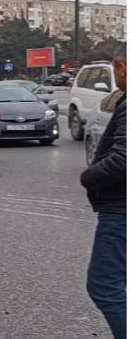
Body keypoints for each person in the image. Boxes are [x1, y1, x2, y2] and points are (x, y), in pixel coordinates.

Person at [81, 45, 127, 339]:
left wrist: (89, 177)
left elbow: (123, 159)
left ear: (122, 67)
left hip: (122, 210)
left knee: (104, 285)